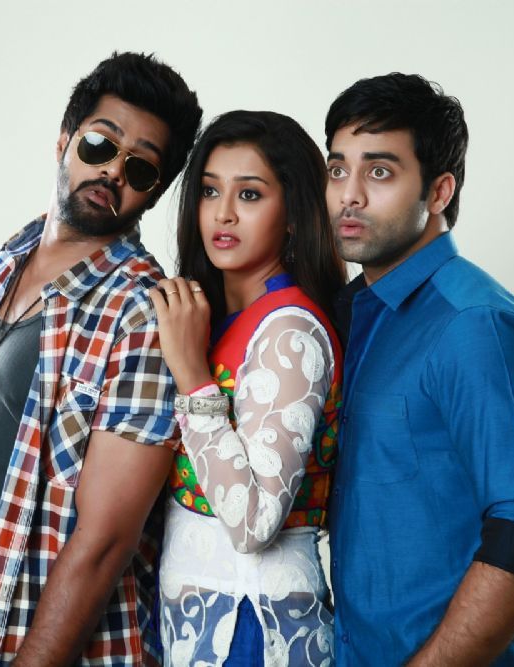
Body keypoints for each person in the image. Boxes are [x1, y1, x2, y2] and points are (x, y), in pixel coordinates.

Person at [0, 52, 201, 667]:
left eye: (140, 168)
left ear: (153, 193)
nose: (112, 172)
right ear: (63, 141)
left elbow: (107, 541)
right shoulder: (6, 261)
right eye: (100, 144)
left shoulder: (141, 312)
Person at [324, 72, 514, 666]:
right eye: (337, 169)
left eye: (379, 172)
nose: (349, 195)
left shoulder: (477, 325)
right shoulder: (354, 314)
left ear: (438, 192)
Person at [149, 110, 346, 666]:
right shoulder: (211, 319)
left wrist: (193, 379)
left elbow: (254, 521)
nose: (224, 213)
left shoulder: (290, 330)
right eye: (210, 190)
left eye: (250, 194)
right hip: (202, 616)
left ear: (293, 215)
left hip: (252, 621)